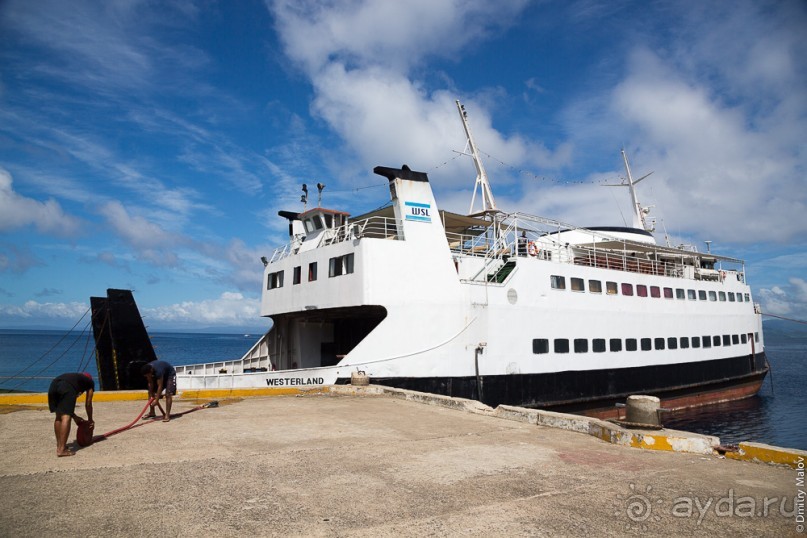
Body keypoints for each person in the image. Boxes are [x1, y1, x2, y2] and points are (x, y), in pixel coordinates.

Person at [48, 372, 94, 457]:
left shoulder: (75, 378)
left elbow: (66, 407)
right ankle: (62, 450)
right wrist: (90, 420)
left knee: (58, 416)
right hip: (66, 386)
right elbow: (88, 403)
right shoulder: (90, 382)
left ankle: (59, 446)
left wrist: (75, 417)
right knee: (66, 417)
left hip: (53, 384)